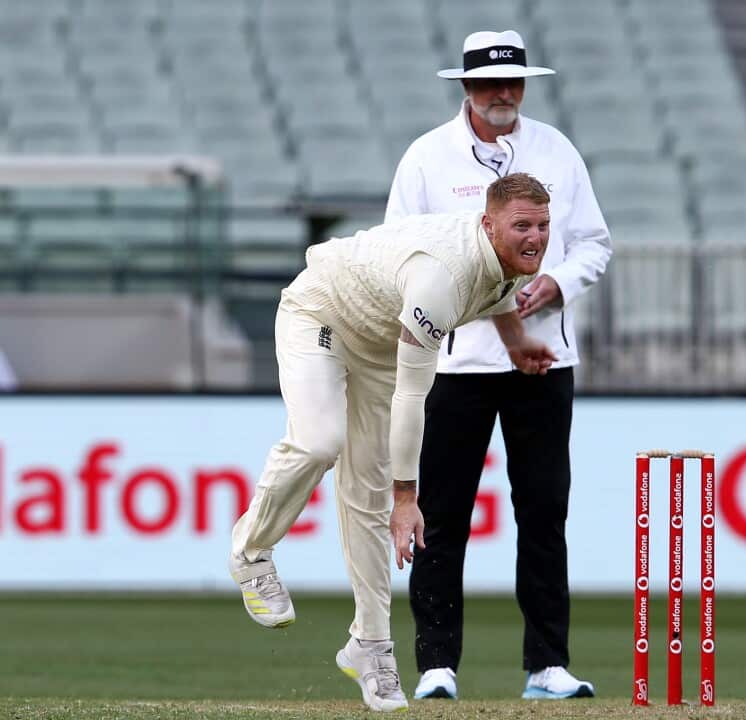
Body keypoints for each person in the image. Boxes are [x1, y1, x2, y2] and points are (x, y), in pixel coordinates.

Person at [228, 174, 558, 712]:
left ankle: (371, 647)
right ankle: (250, 550)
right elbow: (413, 397)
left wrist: (518, 343)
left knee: (367, 495)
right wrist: (409, 498)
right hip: (323, 314)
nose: (536, 237)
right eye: (522, 226)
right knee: (318, 442)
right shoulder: (442, 277)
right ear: (488, 223)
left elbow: (497, 295)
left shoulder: (513, 258)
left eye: (543, 226)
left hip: (380, 345)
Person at [384, 30, 610, 701]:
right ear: (465, 88)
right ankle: (436, 666)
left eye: (513, 82)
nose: (503, 95)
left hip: (544, 361)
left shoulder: (557, 152)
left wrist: (559, 283)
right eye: (489, 85)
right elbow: (401, 252)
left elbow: (594, 245)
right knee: (443, 515)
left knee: (543, 510)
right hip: (453, 368)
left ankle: (547, 666)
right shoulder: (428, 158)